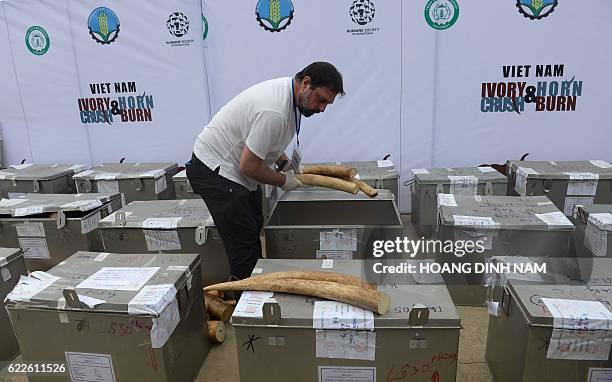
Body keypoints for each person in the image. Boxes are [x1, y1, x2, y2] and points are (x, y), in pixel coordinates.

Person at [187, 62, 344, 281]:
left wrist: (281, 161)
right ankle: (244, 303)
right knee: (244, 244)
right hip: (215, 170)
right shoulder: (274, 110)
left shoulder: (290, 95)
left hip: (235, 168)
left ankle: (251, 282)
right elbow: (249, 166)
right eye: (322, 100)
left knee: (254, 222)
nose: (322, 109)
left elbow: (259, 137)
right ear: (306, 83)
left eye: (327, 104)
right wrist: (283, 180)